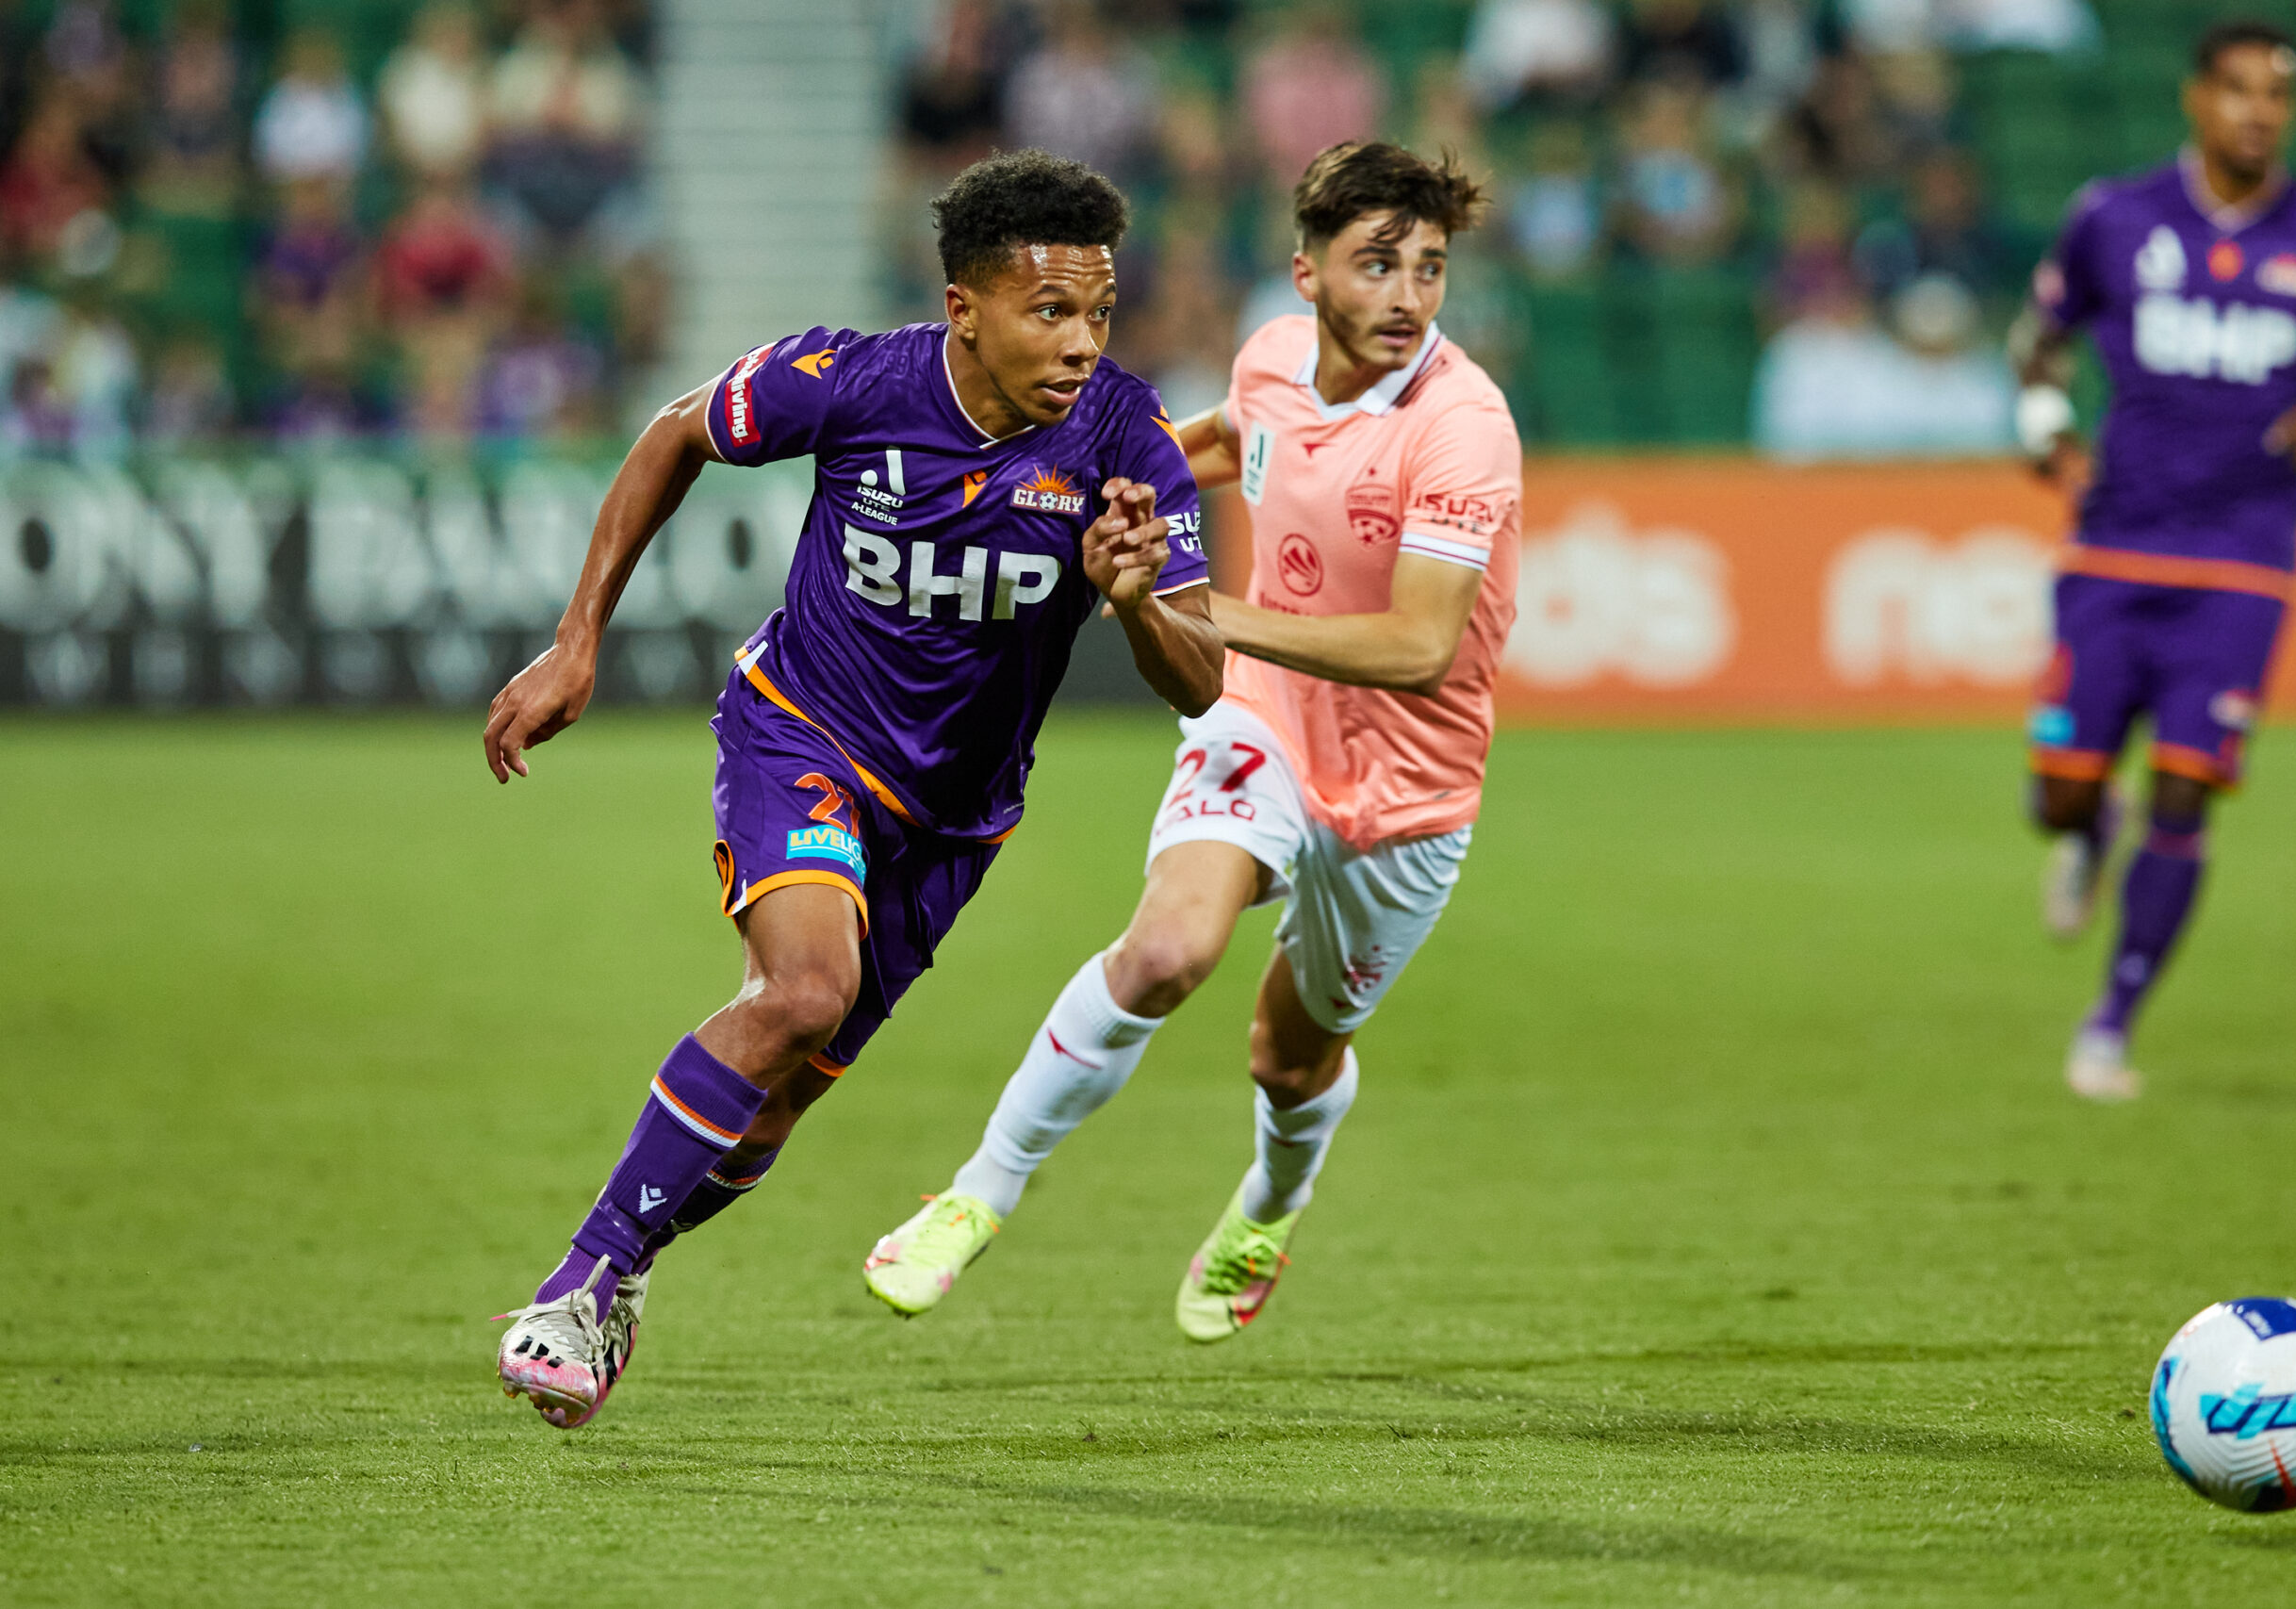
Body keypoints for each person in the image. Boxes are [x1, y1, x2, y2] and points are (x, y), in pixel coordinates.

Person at [483, 149, 1222, 1428]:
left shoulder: (1128, 438)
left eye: (1101, 310)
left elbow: (1202, 678)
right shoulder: (853, 379)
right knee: (802, 988)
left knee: (776, 1104)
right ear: (965, 308)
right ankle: (577, 1277)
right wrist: (579, 635)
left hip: (956, 820)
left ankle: (629, 1266)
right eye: (1051, 310)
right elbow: (677, 431)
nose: (1083, 340)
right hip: (804, 735)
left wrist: (1135, 599)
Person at [859, 141, 1521, 1343]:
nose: (1408, 296)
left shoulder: (1462, 427)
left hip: (1409, 791)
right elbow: (1207, 447)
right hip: (1261, 718)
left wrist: (1203, 605)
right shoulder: (1271, 357)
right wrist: (1089, 484)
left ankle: (1270, 1203)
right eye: (1378, 264)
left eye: (1429, 270)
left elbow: (1422, 647)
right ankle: (976, 1193)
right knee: (1165, 951)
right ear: (1307, 273)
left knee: (1287, 1055)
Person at [2009, 20, 2296, 1101]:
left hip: (2244, 559)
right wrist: (2046, 425)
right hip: (2112, 543)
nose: (2257, 111)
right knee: (2056, 792)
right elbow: (2036, 340)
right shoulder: (2114, 217)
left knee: (2187, 786)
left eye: (2276, 94)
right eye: (2236, 90)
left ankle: (2109, 1025)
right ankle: (2086, 833)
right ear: (2195, 99)